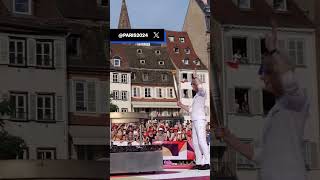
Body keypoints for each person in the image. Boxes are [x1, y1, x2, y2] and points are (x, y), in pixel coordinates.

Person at [215, 21, 309, 180]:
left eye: (265, 71)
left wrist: (273, 50)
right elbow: (258, 154)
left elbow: (289, 80)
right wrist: (228, 137)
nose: (261, 76)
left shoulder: (296, 102)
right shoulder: (276, 110)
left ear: (277, 73)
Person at [177, 68, 210, 170]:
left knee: (201, 140)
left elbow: (200, 85)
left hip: (200, 120)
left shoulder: (202, 93)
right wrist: (181, 105)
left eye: (192, 84)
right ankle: (199, 162)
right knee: (195, 142)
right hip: (194, 120)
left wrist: (195, 77)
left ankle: (208, 162)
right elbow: (190, 110)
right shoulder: (195, 97)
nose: (191, 86)